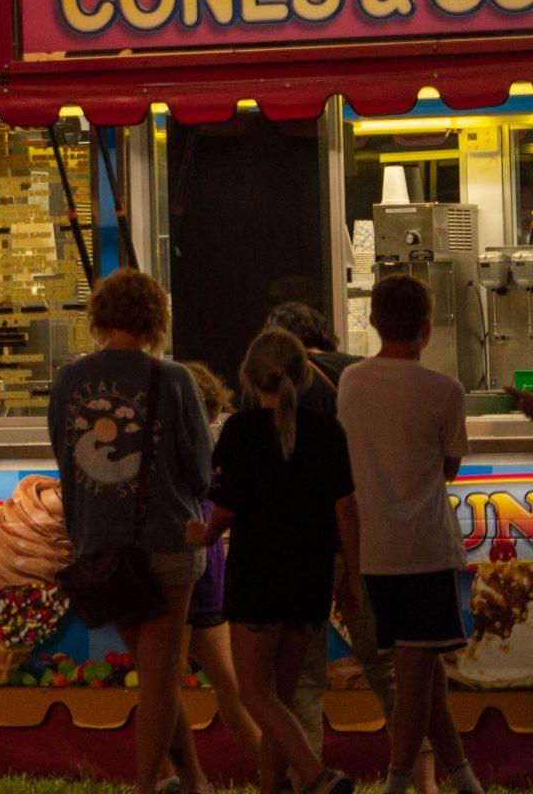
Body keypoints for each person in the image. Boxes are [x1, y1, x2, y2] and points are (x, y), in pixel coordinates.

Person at [47, 269, 213, 794]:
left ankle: (190, 779)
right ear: (156, 319)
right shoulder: (176, 381)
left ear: (99, 318)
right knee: (160, 678)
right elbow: (203, 472)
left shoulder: (69, 381)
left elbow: (63, 456)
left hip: (100, 549)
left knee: (155, 672)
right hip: (166, 542)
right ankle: (148, 785)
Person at [188, 329, 361, 794]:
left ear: (248, 377)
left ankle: (315, 775)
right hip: (310, 578)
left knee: (254, 693)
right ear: (306, 377)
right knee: (279, 697)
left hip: (258, 578)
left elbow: (225, 509)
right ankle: (272, 786)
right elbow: (347, 510)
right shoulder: (327, 431)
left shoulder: (240, 431)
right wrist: (352, 581)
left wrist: (201, 534)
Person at [338, 273, 485, 794]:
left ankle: (465, 781)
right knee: (418, 675)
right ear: (427, 328)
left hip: (374, 552)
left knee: (423, 672)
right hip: (425, 550)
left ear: (373, 322)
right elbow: (448, 470)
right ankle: (398, 782)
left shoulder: (351, 382)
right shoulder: (445, 390)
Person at [267, 301, 410, 782]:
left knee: (303, 678)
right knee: (386, 665)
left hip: (296, 546)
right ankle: (416, 771)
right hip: (363, 536)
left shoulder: (268, 384)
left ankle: (309, 778)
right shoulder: (359, 373)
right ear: (323, 334)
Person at [173, 360, 258, 787]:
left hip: (179, 561)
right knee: (230, 685)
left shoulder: (175, 436)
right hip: (208, 568)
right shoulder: (207, 440)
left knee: (165, 686)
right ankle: (274, 773)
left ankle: (189, 779)